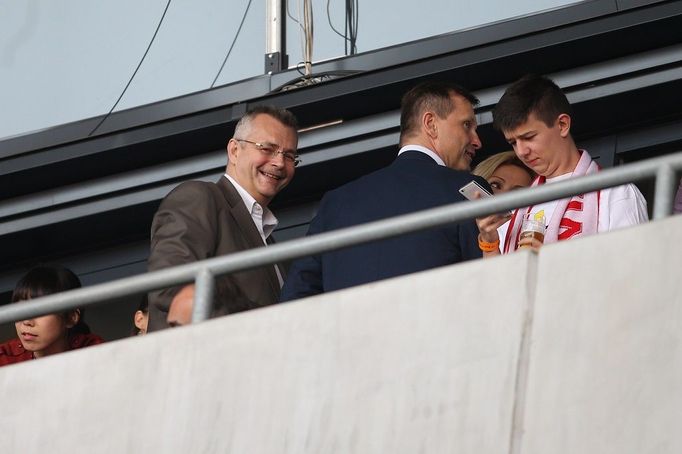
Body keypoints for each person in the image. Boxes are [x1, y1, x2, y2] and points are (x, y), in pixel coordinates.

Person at [280, 81, 488, 301]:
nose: (477, 141)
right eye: (467, 125)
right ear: (431, 124)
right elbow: (494, 283)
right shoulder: (468, 189)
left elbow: (295, 298)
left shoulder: (336, 203)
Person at [147, 105, 299, 332]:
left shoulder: (270, 242)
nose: (279, 163)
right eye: (267, 148)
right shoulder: (199, 197)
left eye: (289, 155)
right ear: (234, 151)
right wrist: (256, 330)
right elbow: (170, 284)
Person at [476, 74, 648, 256]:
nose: (521, 151)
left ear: (563, 124)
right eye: (513, 142)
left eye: (529, 137)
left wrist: (553, 263)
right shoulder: (517, 207)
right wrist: (490, 243)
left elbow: (632, 271)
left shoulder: (615, 192)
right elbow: (499, 282)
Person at [0, 265, 104, 367]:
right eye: (20, 310)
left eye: (39, 311)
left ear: (71, 317)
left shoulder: (94, 352)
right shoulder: (4, 357)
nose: (26, 321)